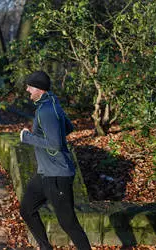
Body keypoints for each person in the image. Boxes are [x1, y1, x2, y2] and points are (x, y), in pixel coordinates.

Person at [19, 71, 91, 250]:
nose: (27, 89)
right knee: (27, 210)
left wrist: (27, 137)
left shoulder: (46, 111)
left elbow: (55, 144)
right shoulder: (52, 103)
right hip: (45, 172)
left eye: (30, 86)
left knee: (68, 223)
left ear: (39, 89)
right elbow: (68, 127)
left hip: (57, 176)